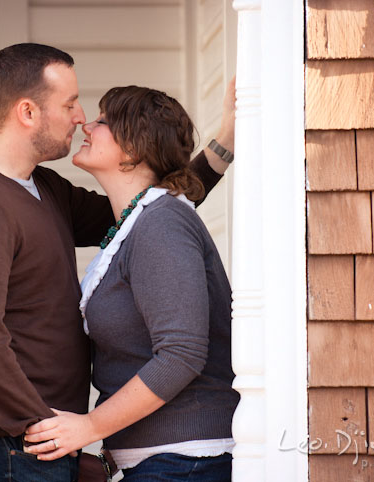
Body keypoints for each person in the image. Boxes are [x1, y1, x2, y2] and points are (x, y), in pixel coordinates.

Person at [0, 43, 235, 482]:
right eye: (70, 103)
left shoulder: (44, 188)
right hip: (10, 441)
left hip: (47, 441)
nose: (80, 117)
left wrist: (224, 143)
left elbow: (142, 206)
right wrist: (48, 432)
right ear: (27, 112)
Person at [23, 85, 240, 481]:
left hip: (184, 462)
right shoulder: (142, 219)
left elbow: (182, 354)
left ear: (135, 148)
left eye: (103, 121)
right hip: (161, 461)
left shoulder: (161, 223)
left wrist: (89, 428)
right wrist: (227, 136)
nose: (87, 124)